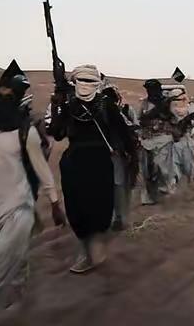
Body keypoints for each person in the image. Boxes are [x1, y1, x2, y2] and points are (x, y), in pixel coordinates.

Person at [0, 68, 66, 316]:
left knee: (0, 265)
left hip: (16, 206)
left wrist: (55, 203)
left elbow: (42, 169)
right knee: (6, 255)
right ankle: (14, 301)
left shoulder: (27, 132)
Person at [48, 65, 134, 274]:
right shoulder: (69, 105)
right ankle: (88, 252)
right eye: (82, 81)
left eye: (90, 81)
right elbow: (57, 134)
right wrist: (56, 107)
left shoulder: (106, 105)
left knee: (98, 207)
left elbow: (123, 132)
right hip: (75, 164)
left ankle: (93, 253)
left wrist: (129, 154)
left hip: (98, 163)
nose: (85, 85)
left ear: (97, 84)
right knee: (77, 209)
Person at [102, 83, 139, 231]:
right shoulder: (110, 113)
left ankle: (116, 218)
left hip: (113, 154)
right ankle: (117, 217)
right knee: (116, 185)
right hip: (113, 154)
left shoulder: (123, 111)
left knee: (114, 185)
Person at [137, 79, 177, 204]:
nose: (150, 92)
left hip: (164, 138)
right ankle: (148, 197)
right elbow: (140, 119)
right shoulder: (144, 103)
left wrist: (165, 112)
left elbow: (174, 119)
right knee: (147, 170)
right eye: (148, 90)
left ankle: (166, 187)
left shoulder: (167, 103)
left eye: (152, 89)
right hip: (147, 140)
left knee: (161, 166)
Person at [167, 85, 194, 185]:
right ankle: (175, 181)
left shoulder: (188, 110)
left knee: (187, 164)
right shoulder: (168, 112)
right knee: (175, 163)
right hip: (175, 140)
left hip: (184, 139)